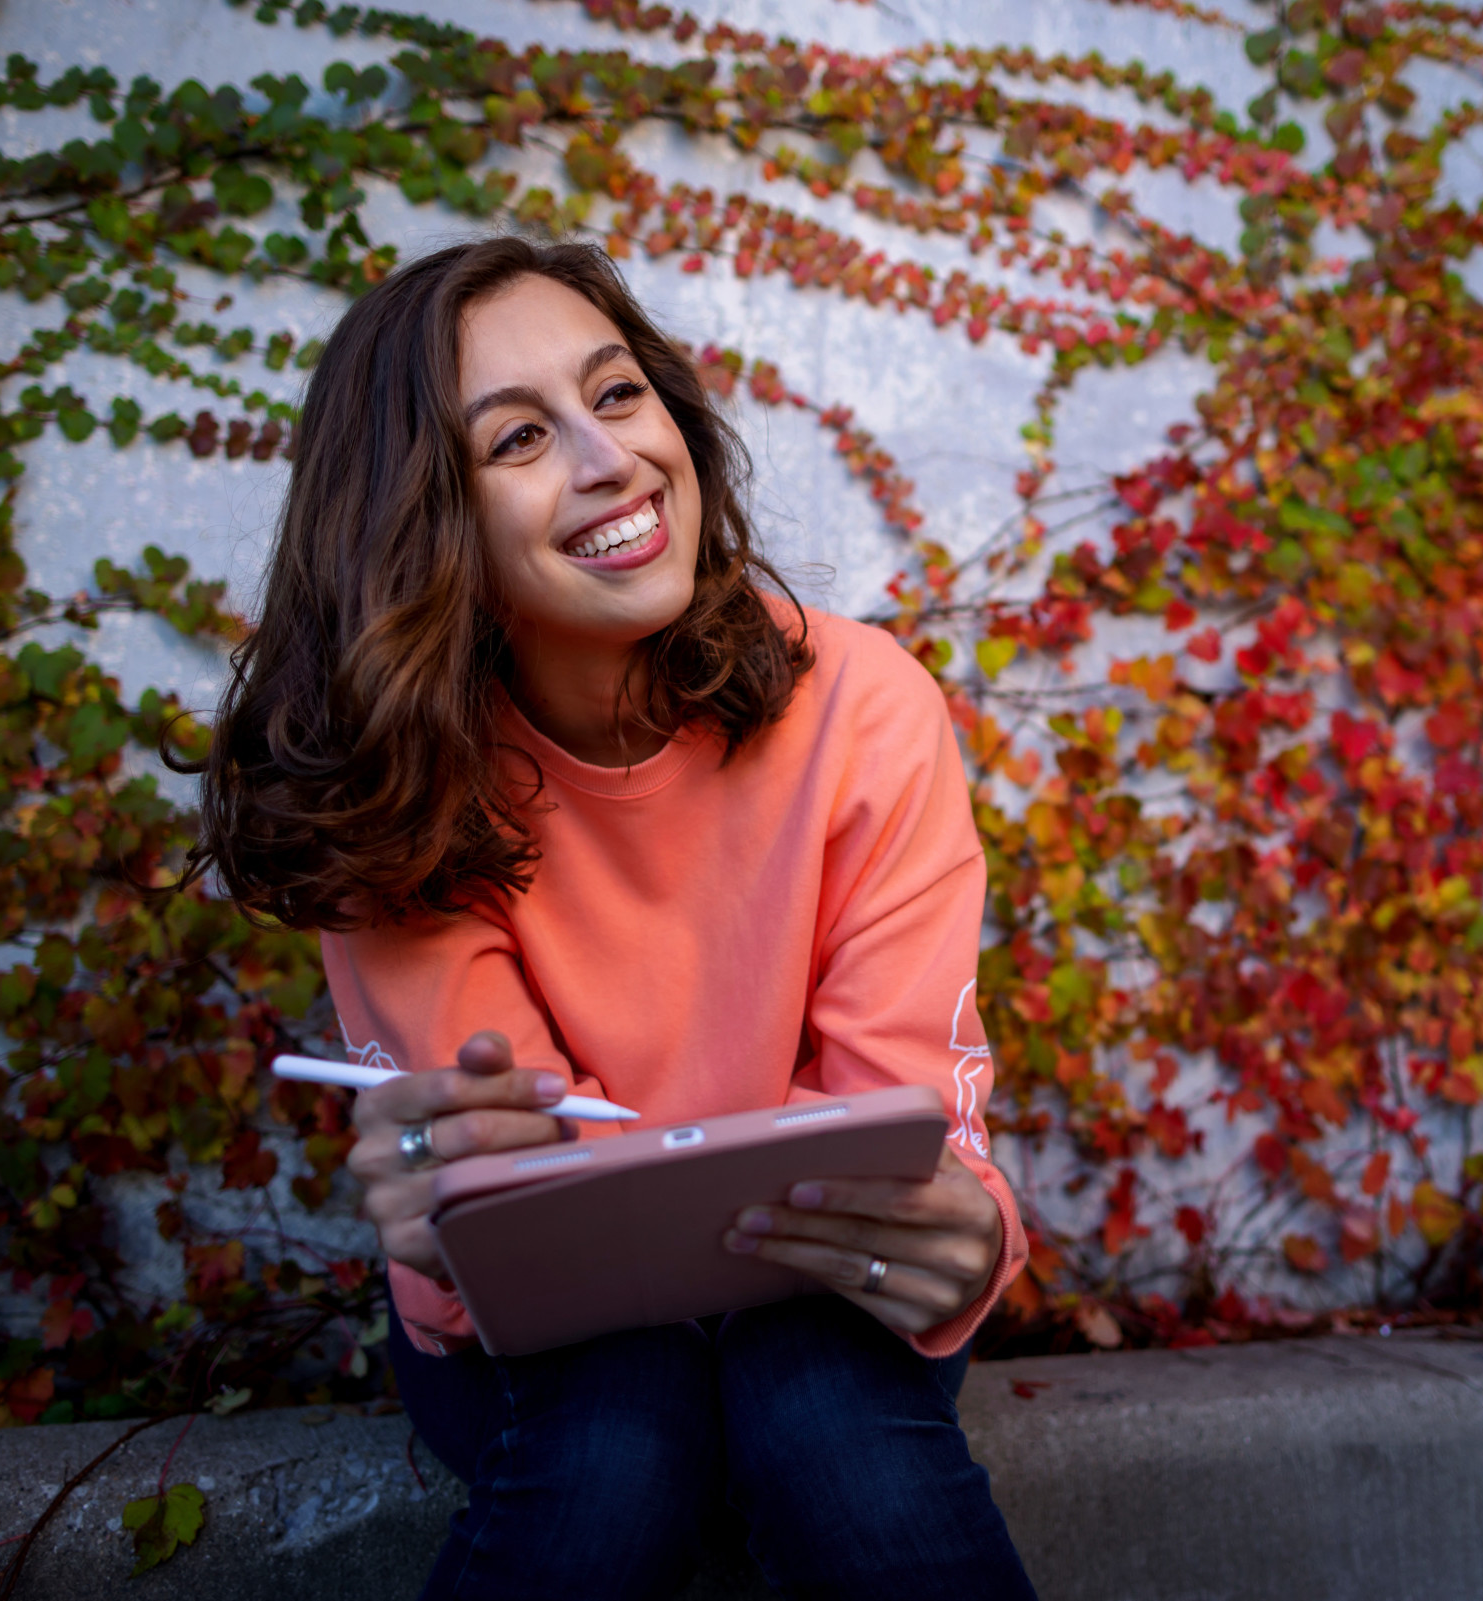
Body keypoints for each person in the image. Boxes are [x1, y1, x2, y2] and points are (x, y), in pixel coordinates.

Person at [183, 235, 1038, 1600]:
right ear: (422, 516)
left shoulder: (865, 708)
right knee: (618, 1434)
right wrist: (447, 1215)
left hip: (816, 1279)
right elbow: (517, 1226)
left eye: (619, 393)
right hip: (551, 1320)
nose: (610, 459)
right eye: (521, 435)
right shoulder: (393, 785)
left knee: (819, 1403)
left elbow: (914, 1138)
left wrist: (964, 1234)